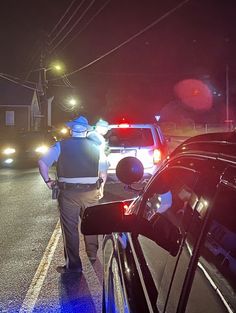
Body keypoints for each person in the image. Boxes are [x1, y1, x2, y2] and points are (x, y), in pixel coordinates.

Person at [38, 116, 107, 274]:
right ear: (86, 130)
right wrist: (101, 187)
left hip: (68, 193)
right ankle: (92, 254)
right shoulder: (96, 147)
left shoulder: (61, 145)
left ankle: (74, 266)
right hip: (91, 191)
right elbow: (103, 171)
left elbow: (42, 162)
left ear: (71, 130)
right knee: (92, 223)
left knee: (70, 229)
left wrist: (48, 181)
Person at [87, 119, 110, 198]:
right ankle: (99, 192)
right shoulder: (93, 135)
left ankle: (99, 191)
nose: (107, 130)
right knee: (101, 175)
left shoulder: (94, 135)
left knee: (100, 176)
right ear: (100, 127)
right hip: (98, 161)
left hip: (98, 161)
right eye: (106, 128)